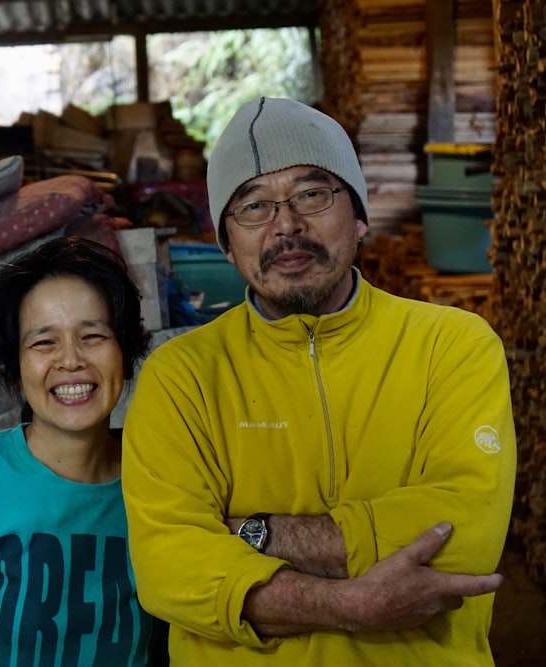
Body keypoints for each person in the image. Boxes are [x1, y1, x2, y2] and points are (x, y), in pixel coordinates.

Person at [121, 96, 516, 665]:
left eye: (312, 193)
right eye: (252, 206)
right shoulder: (180, 377)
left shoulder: (453, 345)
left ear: (358, 215)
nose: (286, 225)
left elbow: (467, 530)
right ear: (226, 246)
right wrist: (351, 605)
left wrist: (250, 533)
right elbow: (168, 568)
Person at [0, 236, 156, 666]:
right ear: (16, 366)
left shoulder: (161, 478)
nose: (71, 360)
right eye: (43, 343)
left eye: (92, 335)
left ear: (125, 354)